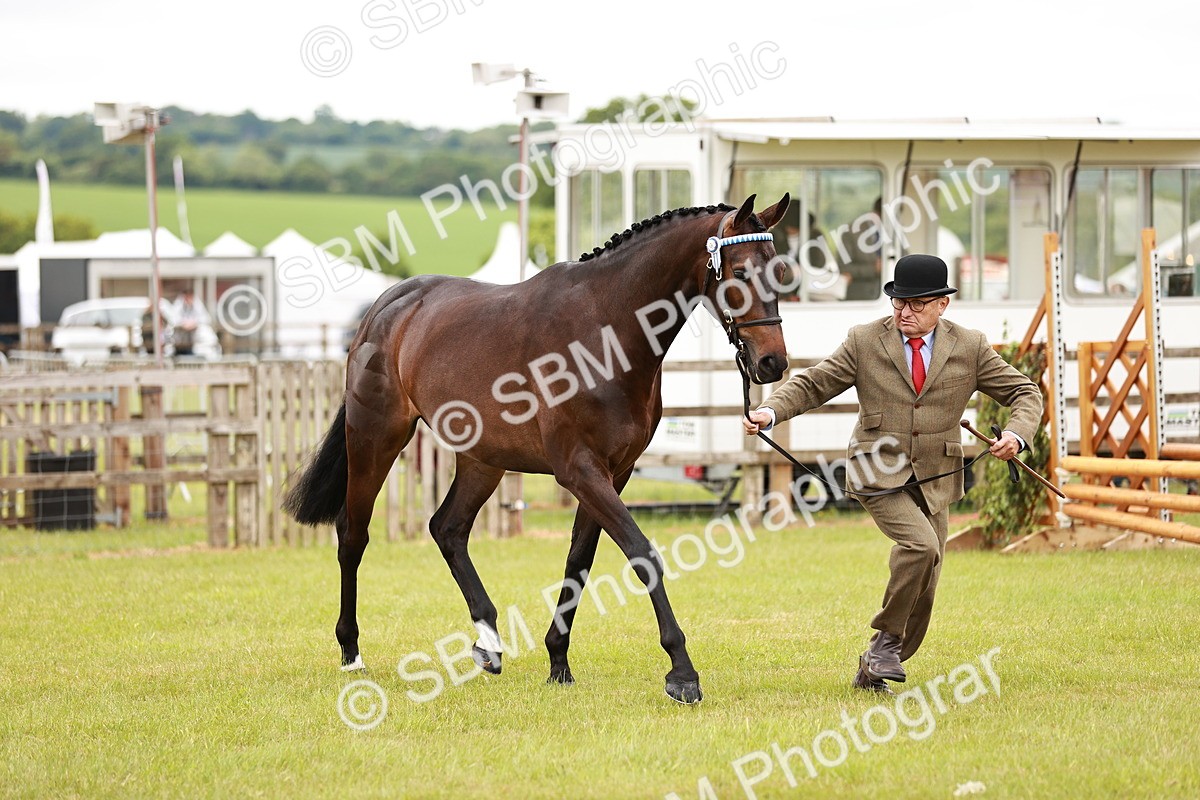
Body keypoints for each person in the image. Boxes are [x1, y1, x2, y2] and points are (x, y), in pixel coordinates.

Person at [743, 254, 1043, 694]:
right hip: (876, 472)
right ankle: (885, 642)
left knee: (928, 580)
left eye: (917, 304)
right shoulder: (865, 340)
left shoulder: (970, 346)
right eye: (899, 302)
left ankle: (875, 664)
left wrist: (1016, 435)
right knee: (921, 546)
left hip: (936, 477)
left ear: (942, 304)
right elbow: (815, 383)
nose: (905, 312)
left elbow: (1025, 391)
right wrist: (771, 410)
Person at [171, 289, 210, 357]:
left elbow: (206, 319)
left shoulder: (197, 304)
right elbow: (173, 320)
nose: (189, 300)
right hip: (180, 337)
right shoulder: (179, 304)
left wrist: (194, 324)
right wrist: (183, 324)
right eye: (187, 298)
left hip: (194, 338)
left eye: (190, 298)